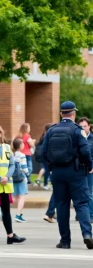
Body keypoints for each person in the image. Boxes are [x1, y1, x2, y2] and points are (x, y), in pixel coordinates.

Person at [42, 101, 93, 249]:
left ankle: (65, 241)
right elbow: (85, 151)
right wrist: (88, 166)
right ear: (74, 113)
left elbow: (43, 153)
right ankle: (87, 235)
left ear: (61, 114)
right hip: (76, 172)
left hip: (57, 173)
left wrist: (52, 166)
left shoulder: (52, 130)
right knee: (81, 203)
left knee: (62, 205)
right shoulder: (77, 130)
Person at [77, 117, 93, 223]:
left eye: (85, 126)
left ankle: (91, 214)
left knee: (89, 193)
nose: (83, 128)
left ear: (89, 126)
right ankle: (80, 214)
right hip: (78, 169)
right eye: (81, 126)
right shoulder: (76, 137)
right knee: (79, 193)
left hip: (90, 170)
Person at [12, 138, 29, 223]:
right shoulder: (22, 155)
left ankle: (2, 209)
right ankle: (18, 215)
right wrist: (27, 173)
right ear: (20, 145)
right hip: (21, 177)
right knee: (22, 196)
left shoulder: (13, 155)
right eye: (22, 143)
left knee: (14, 196)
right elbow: (24, 167)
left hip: (14, 177)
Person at [35, 123, 53, 190]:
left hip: (44, 156)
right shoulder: (47, 137)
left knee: (47, 170)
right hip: (46, 157)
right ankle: (46, 184)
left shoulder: (43, 136)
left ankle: (47, 183)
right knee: (48, 170)